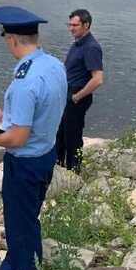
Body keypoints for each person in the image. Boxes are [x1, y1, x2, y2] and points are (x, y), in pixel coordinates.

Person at [0, 6, 67, 270]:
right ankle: (12, 264)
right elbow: (45, 109)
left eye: (4, 37)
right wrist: (6, 117)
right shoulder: (53, 65)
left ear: (11, 38)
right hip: (46, 153)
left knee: (22, 223)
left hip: (25, 162)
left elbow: (17, 139)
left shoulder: (25, 82)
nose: (5, 42)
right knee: (22, 218)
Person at [56, 9, 103, 173]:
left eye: (75, 25)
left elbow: (97, 79)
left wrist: (77, 97)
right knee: (60, 136)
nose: (71, 28)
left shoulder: (91, 47)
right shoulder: (78, 43)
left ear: (86, 25)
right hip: (67, 96)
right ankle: (58, 171)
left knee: (72, 139)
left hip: (76, 97)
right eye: (69, 25)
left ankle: (73, 174)